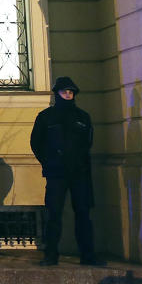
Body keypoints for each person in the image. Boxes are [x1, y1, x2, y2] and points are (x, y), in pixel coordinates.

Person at [30, 76, 105, 267]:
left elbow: (88, 142)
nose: (68, 95)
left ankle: (87, 256)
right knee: (53, 214)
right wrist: (48, 162)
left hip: (79, 173)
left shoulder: (82, 117)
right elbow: (36, 143)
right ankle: (51, 255)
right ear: (57, 94)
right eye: (64, 92)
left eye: (70, 92)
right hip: (56, 173)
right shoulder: (46, 117)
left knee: (83, 214)